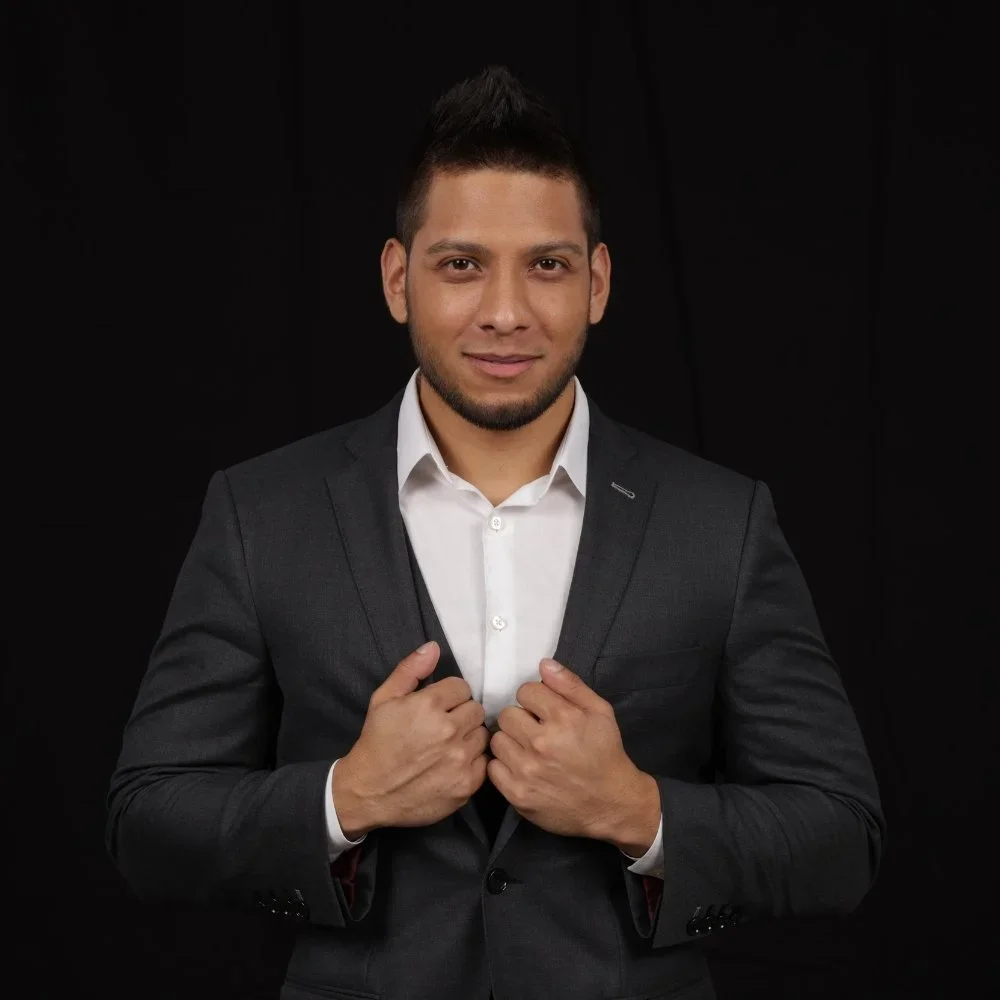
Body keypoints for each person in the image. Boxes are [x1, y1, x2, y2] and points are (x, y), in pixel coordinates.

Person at [105, 64, 885, 1000]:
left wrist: (639, 811)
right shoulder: (261, 512)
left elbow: (841, 838)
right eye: (461, 263)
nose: (506, 311)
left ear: (596, 282)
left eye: (547, 264)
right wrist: (343, 797)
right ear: (399, 279)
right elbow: (147, 823)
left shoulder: (721, 522)